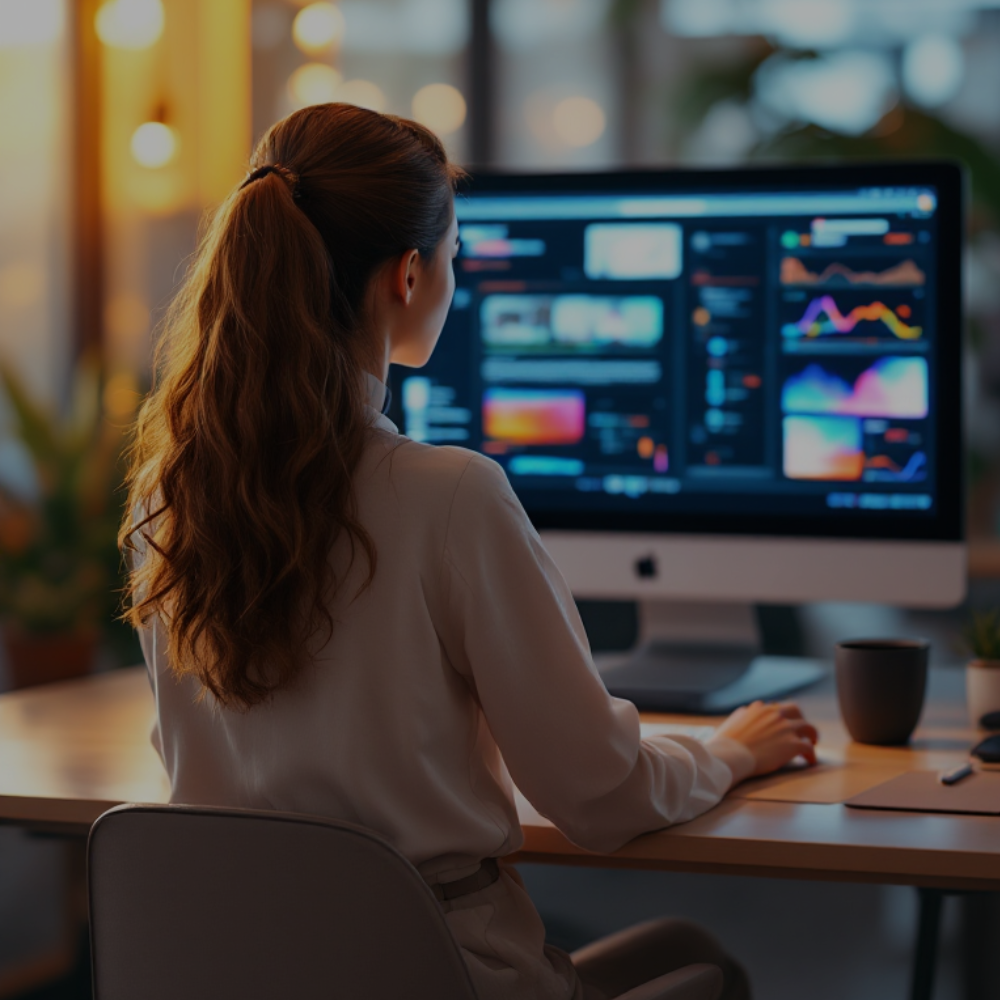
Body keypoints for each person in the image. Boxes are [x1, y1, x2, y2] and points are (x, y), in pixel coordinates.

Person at [121, 103, 819, 1000]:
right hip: (438, 971)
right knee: (703, 964)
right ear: (408, 275)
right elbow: (598, 797)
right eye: (456, 257)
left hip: (234, 973)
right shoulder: (448, 495)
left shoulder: (166, 499)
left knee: (676, 948)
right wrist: (727, 753)